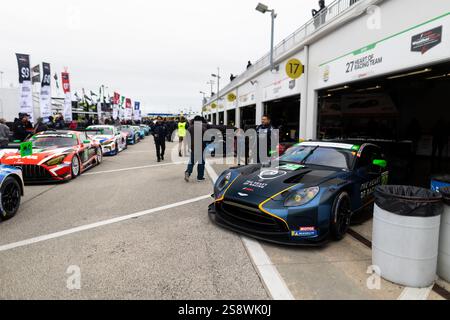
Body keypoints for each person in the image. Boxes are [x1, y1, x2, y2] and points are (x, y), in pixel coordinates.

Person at [185, 116, 208, 182]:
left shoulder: (189, 128)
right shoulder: (203, 128)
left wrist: (189, 146)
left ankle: (188, 172)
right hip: (201, 147)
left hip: (193, 147)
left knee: (192, 161)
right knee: (201, 163)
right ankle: (200, 177)